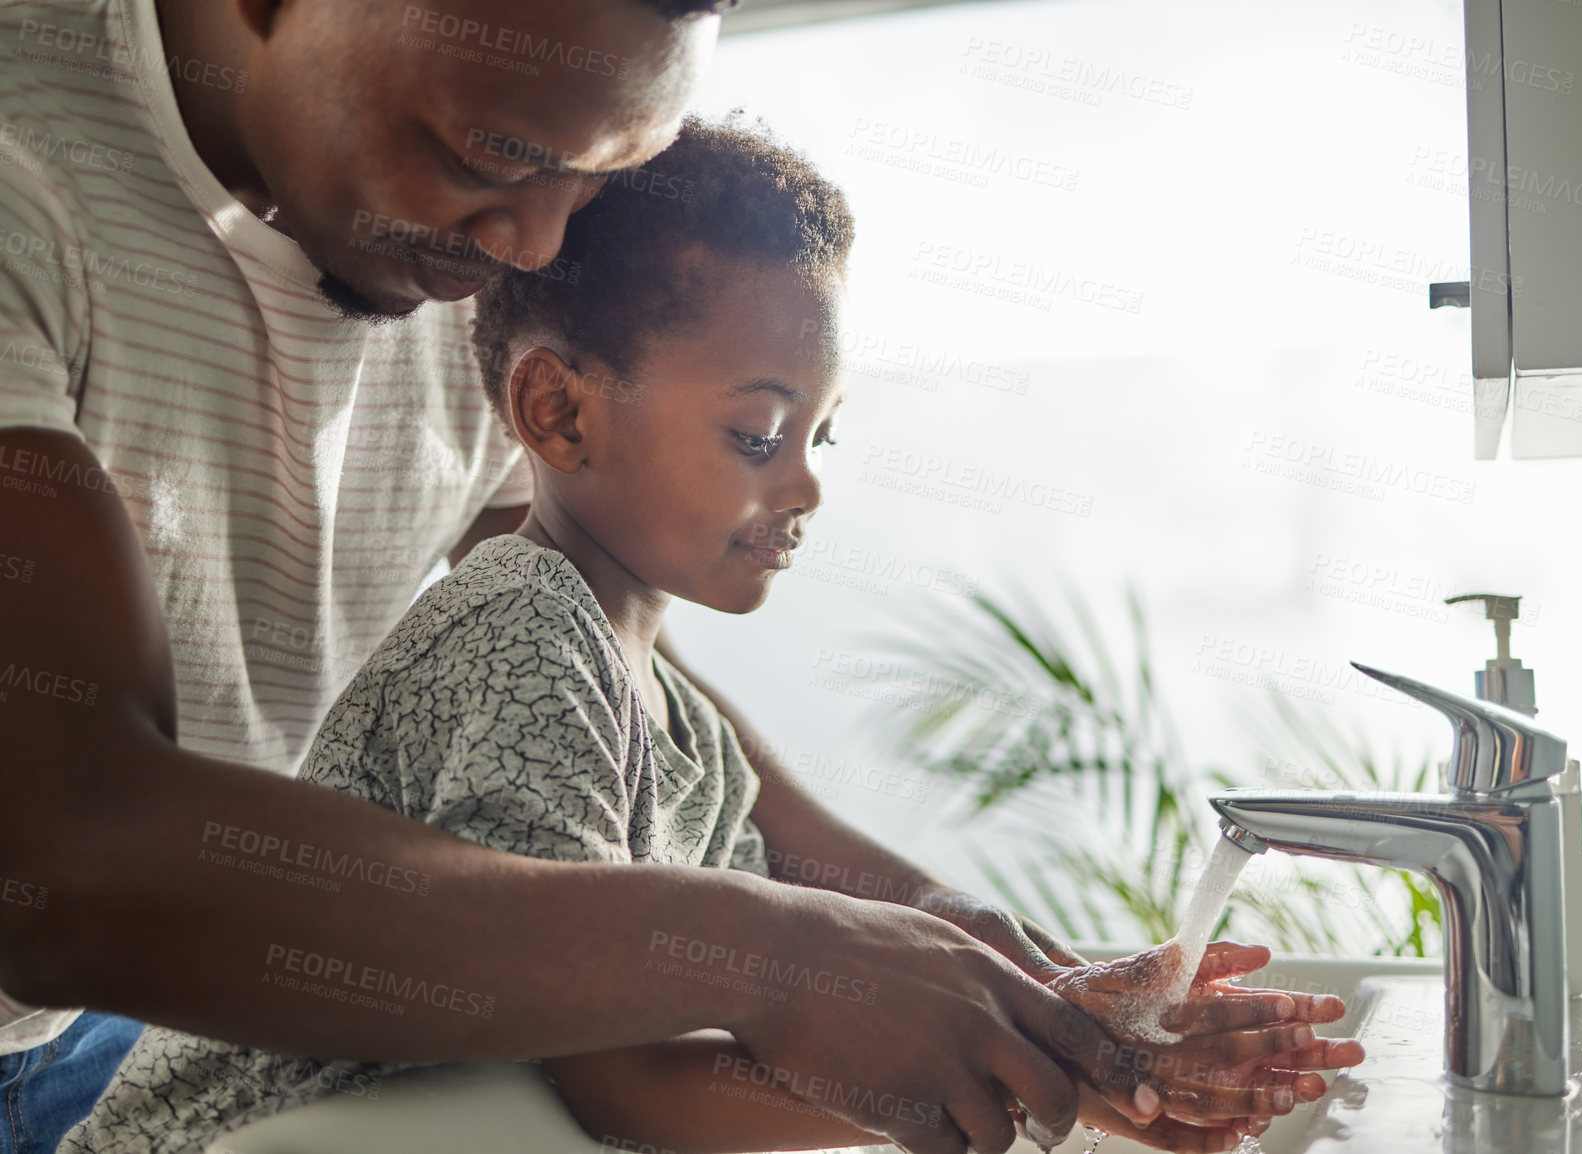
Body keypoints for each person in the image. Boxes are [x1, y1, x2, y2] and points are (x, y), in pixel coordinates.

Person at [63, 116, 1362, 1154]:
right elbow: (618, 1082)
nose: (802, 487)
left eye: (821, 435)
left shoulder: (665, 712)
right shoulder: (524, 639)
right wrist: (1018, 1075)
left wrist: (1063, 1035)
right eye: (757, 433)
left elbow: (747, 1000)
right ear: (558, 414)